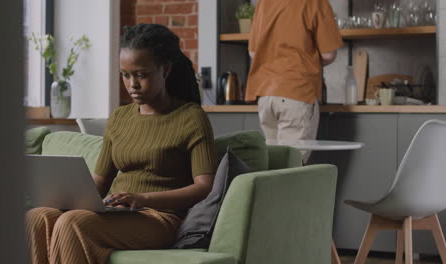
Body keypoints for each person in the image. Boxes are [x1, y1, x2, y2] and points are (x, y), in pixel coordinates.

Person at [26, 24, 217, 264]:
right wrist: (65, 199)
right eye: (125, 75)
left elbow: (205, 187)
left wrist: (143, 199)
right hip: (118, 212)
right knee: (37, 216)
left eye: (141, 75)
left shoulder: (191, 117)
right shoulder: (119, 118)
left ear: (165, 69)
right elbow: (100, 181)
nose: (132, 85)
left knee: (73, 223)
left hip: (160, 218)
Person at [245, 0, 344, 162]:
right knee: (290, 167)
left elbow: (253, 52)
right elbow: (328, 54)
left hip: (266, 96)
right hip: (296, 92)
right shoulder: (315, 2)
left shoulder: (264, 2)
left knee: (273, 165)